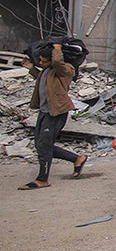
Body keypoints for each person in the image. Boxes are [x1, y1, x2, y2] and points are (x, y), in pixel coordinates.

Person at [19, 43, 87, 189]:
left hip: (56, 113)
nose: (41, 63)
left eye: (44, 61)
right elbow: (43, 80)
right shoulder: (47, 71)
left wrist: (57, 48)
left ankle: (42, 179)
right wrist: (31, 68)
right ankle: (77, 159)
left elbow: (57, 62)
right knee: (41, 144)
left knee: (44, 145)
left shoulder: (65, 70)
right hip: (45, 112)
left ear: (53, 60)